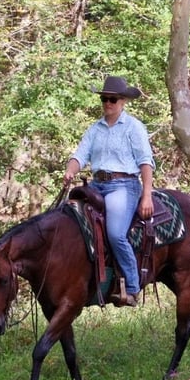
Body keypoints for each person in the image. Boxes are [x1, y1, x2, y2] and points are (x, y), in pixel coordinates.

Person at [63, 75, 155, 307]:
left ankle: (132, 287)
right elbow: (80, 155)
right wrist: (70, 171)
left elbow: (145, 161)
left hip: (124, 185)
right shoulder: (95, 129)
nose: (107, 104)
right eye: (104, 99)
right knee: (68, 220)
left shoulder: (134, 127)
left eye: (112, 100)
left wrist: (147, 195)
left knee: (115, 233)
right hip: (96, 184)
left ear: (123, 102)